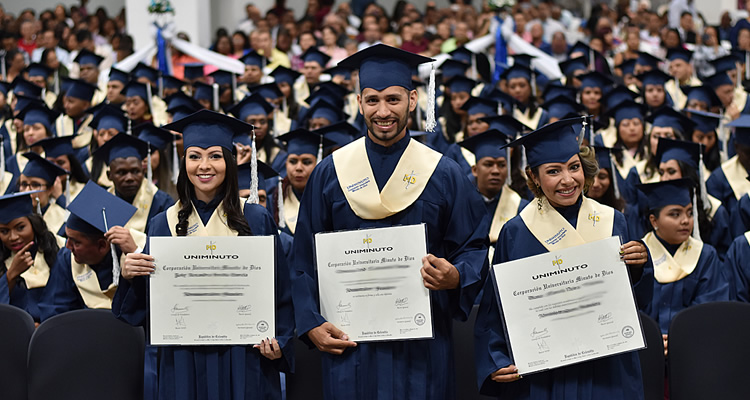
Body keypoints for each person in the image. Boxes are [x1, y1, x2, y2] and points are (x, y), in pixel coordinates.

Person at [291, 44, 489, 399]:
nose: (383, 111)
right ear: (359, 102)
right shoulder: (330, 173)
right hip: (350, 346)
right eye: (372, 100)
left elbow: (472, 247)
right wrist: (311, 325)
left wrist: (456, 275)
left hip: (421, 347)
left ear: (413, 100)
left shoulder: (443, 174)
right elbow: (303, 260)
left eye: (393, 100)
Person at [113, 110, 294, 399]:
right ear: (184, 162)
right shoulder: (164, 223)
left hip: (245, 356)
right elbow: (143, 308)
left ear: (230, 162)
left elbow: (281, 291)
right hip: (184, 358)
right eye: (194, 156)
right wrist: (131, 275)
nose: (204, 166)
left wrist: (280, 342)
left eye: (215, 156)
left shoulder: (257, 219)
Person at [474, 117, 653, 399]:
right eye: (553, 171)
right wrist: (496, 357)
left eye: (574, 167)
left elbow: (633, 299)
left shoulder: (612, 221)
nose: (568, 180)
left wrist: (640, 265)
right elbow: (496, 305)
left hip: (607, 365)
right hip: (546, 371)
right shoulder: (517, 232)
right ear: (533, 176)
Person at [638, 179, 728, 356]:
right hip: (646, 351)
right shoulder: (638, 256)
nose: (686, 221)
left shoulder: (705, 255)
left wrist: (679, 337)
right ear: (654, 220)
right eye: (675, 214)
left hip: (694, 349)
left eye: (689, 213)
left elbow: (710, 306)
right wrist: (653, 338)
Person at [39, 181, 138, 320]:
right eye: (68, 238)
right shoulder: (67, 258)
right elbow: (55, 311)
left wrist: (137, 253)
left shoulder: (137, 252)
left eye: (76, 242)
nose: (67, 246)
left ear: (102, 246)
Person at [457, 125, 529, 256]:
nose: (495, 171)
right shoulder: (459, 206)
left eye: (501, 165)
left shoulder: (522, 208)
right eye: (488, 164)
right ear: (474, 170)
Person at [92, 132, 174, 245]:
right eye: (121, 172)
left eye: (135, 171)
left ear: (143, 171)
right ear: (109, 175)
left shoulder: (162, 203)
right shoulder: (101, 204)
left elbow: (168, 246)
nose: (129, 178)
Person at [0, 191, 63, 322]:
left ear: (34, 224)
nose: (13, 237)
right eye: (4, 231)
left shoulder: (60, 248)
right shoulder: (2, 259)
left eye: (20, 227)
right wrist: (11, 275)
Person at [275, 128, 332, 235]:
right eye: (293, 161)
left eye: (306, 162)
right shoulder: (274, 200)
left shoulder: (329, 199)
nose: (298, 168)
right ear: (286, 164)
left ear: (319, 164)